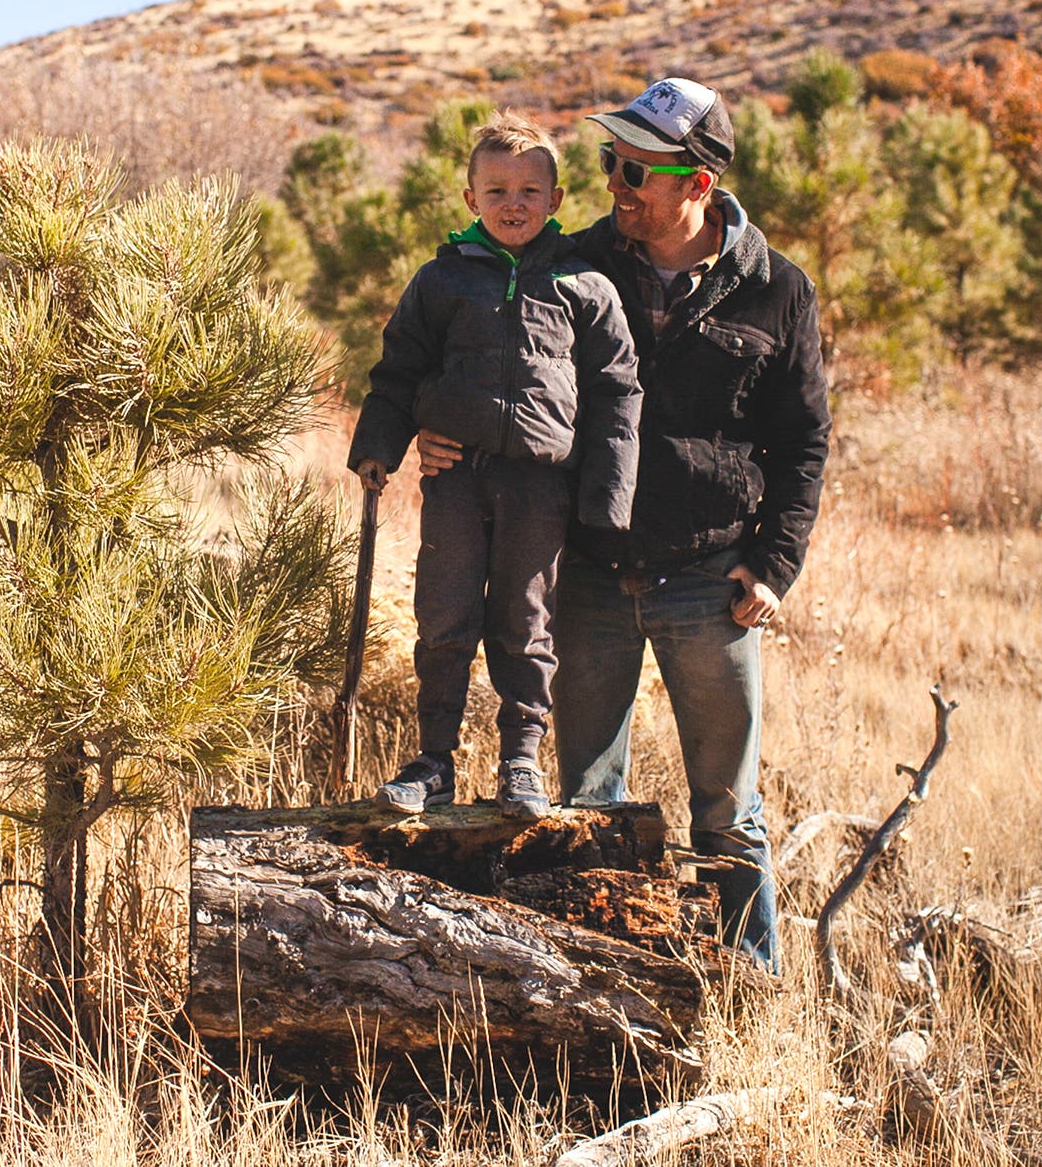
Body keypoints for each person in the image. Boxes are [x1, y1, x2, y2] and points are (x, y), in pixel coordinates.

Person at [419, 78, 831, 968]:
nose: (617, 180)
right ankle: (611, 996)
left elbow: (805, 442)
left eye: (638, 168)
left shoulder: (775, 289)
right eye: (610, 162)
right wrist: (434, 426)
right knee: (591, 805)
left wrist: (773, 566)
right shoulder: (571, 261)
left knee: (729, 814)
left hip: (709, 582)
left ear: (698, 183)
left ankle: (751, 1003)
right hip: (588, 576)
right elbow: (468, 346)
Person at [348, 110, 641, 821]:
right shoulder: (443, 280)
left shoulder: (584, 285)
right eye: (498, 190)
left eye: (530, 191)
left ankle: (520, 761)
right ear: (470, 199)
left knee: (526, 624)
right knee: (444, 619)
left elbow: (617, 392)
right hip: (455, 479)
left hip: (541, 487)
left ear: (557, 200)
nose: (515, 203)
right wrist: (382, 445)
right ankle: (433, 762)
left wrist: (607, 499)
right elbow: (399, 371)